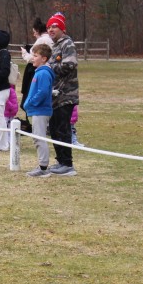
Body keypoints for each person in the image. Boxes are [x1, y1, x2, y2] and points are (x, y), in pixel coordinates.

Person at [46, 13, 79, 176]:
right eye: (49, 27)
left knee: (62, 128)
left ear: (62, 29)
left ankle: (67, 164)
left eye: (54, 26)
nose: (51, 29)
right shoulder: (55, 46)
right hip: (55, 95)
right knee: (53, 128)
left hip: (66, 95)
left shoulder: (67, 43)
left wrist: (49, 67)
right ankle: (60, 161)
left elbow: (70, 64)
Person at [23, 43, 55, 177]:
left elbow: (42, 92)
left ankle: (43, 168)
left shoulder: (43, 73)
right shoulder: (39, 72)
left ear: (44, 58)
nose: (33, 58)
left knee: (39, 138)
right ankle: (42, 164)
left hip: (40, 111)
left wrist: (30, 103)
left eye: (35, 56)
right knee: (37, 138)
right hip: (37, 111)